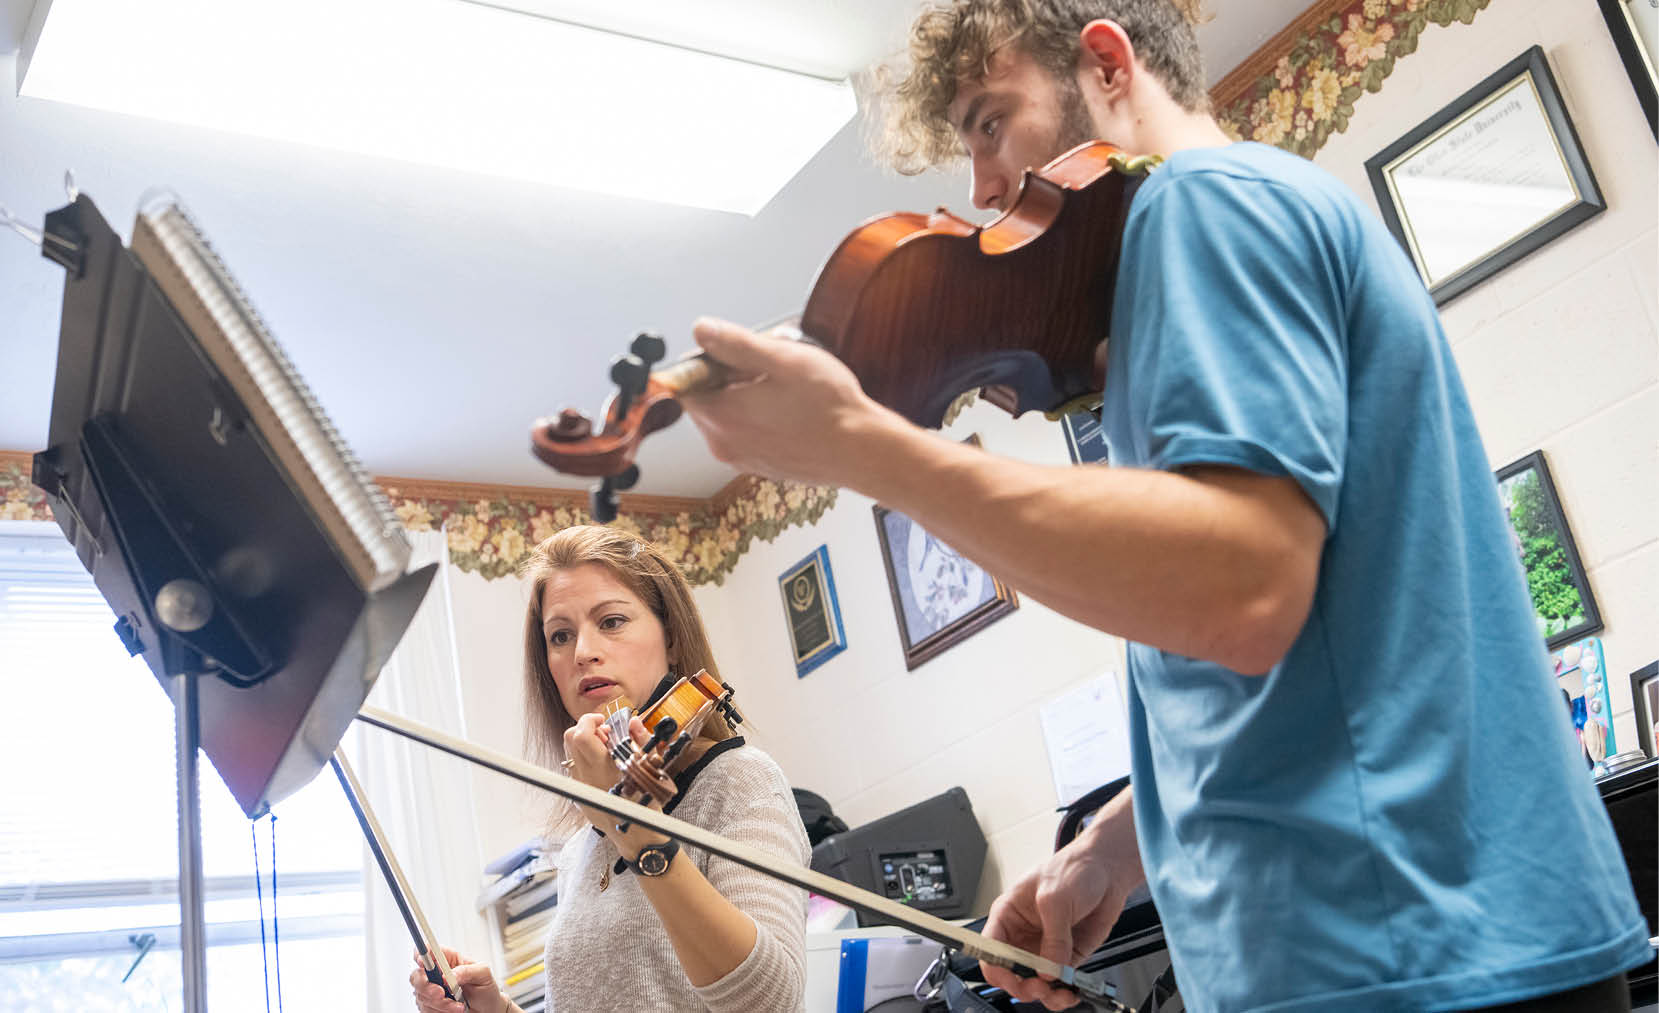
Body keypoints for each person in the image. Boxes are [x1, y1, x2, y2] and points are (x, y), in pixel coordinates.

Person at [675, 2, 1651, 1010]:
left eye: (987, 120)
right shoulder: (1250, 212)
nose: (979, 186)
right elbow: (1319, 657)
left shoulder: (1200, 203)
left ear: (1104, 64)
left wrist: (869, 449)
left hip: (1402, 950)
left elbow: (1242, 588)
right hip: (1432, 937)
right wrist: (1115, 846)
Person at [409, 525, 810, 1013]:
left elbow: (769, 1001)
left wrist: (631, 825)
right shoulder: (582, 844)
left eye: (612, 621)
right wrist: (497, 1009)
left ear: (673, 640)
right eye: (560, 635)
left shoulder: (740, 780)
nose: (582, 652)